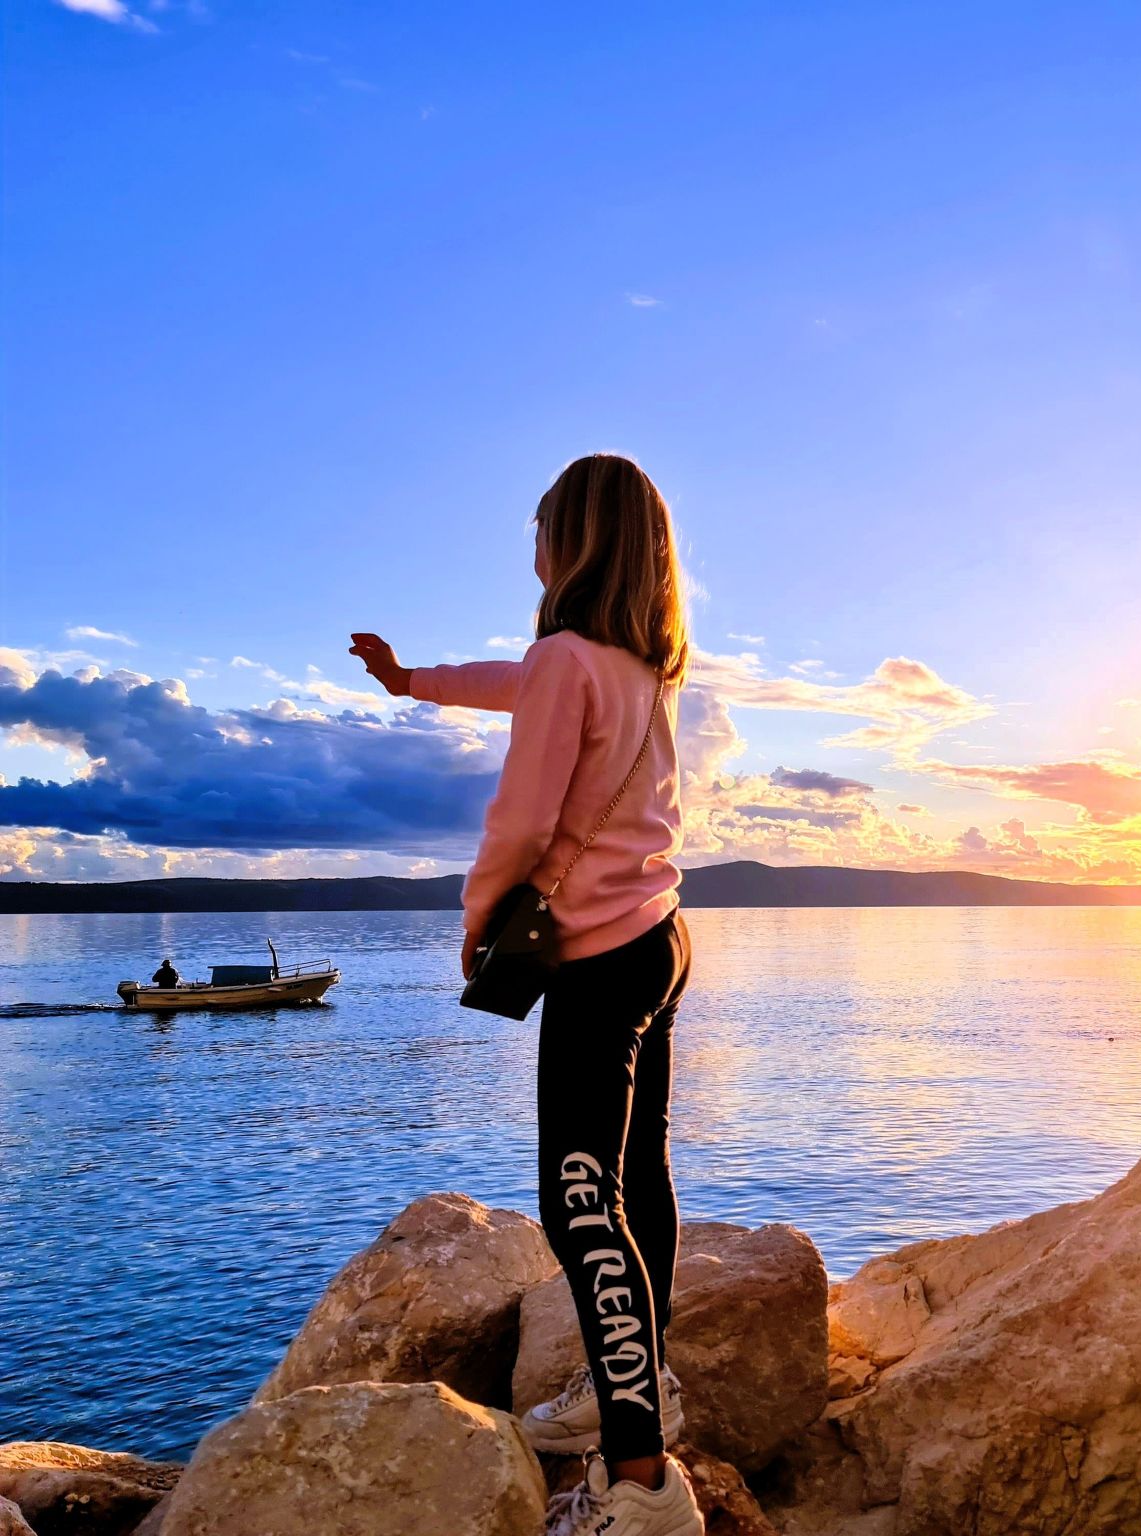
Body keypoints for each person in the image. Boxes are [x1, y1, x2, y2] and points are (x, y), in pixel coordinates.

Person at [349, 454, 702, 1536]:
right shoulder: (638, 666)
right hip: (661, 938)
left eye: (541, 530)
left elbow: (520, 821)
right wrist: (413, 684)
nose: (533, 548)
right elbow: (518, 679)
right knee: (636, 1178)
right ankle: (637, 1382)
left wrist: (478, 921)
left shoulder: (569, 659)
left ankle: (639, 1483)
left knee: (575, 1196)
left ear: (570, 544)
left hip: (593, 961)